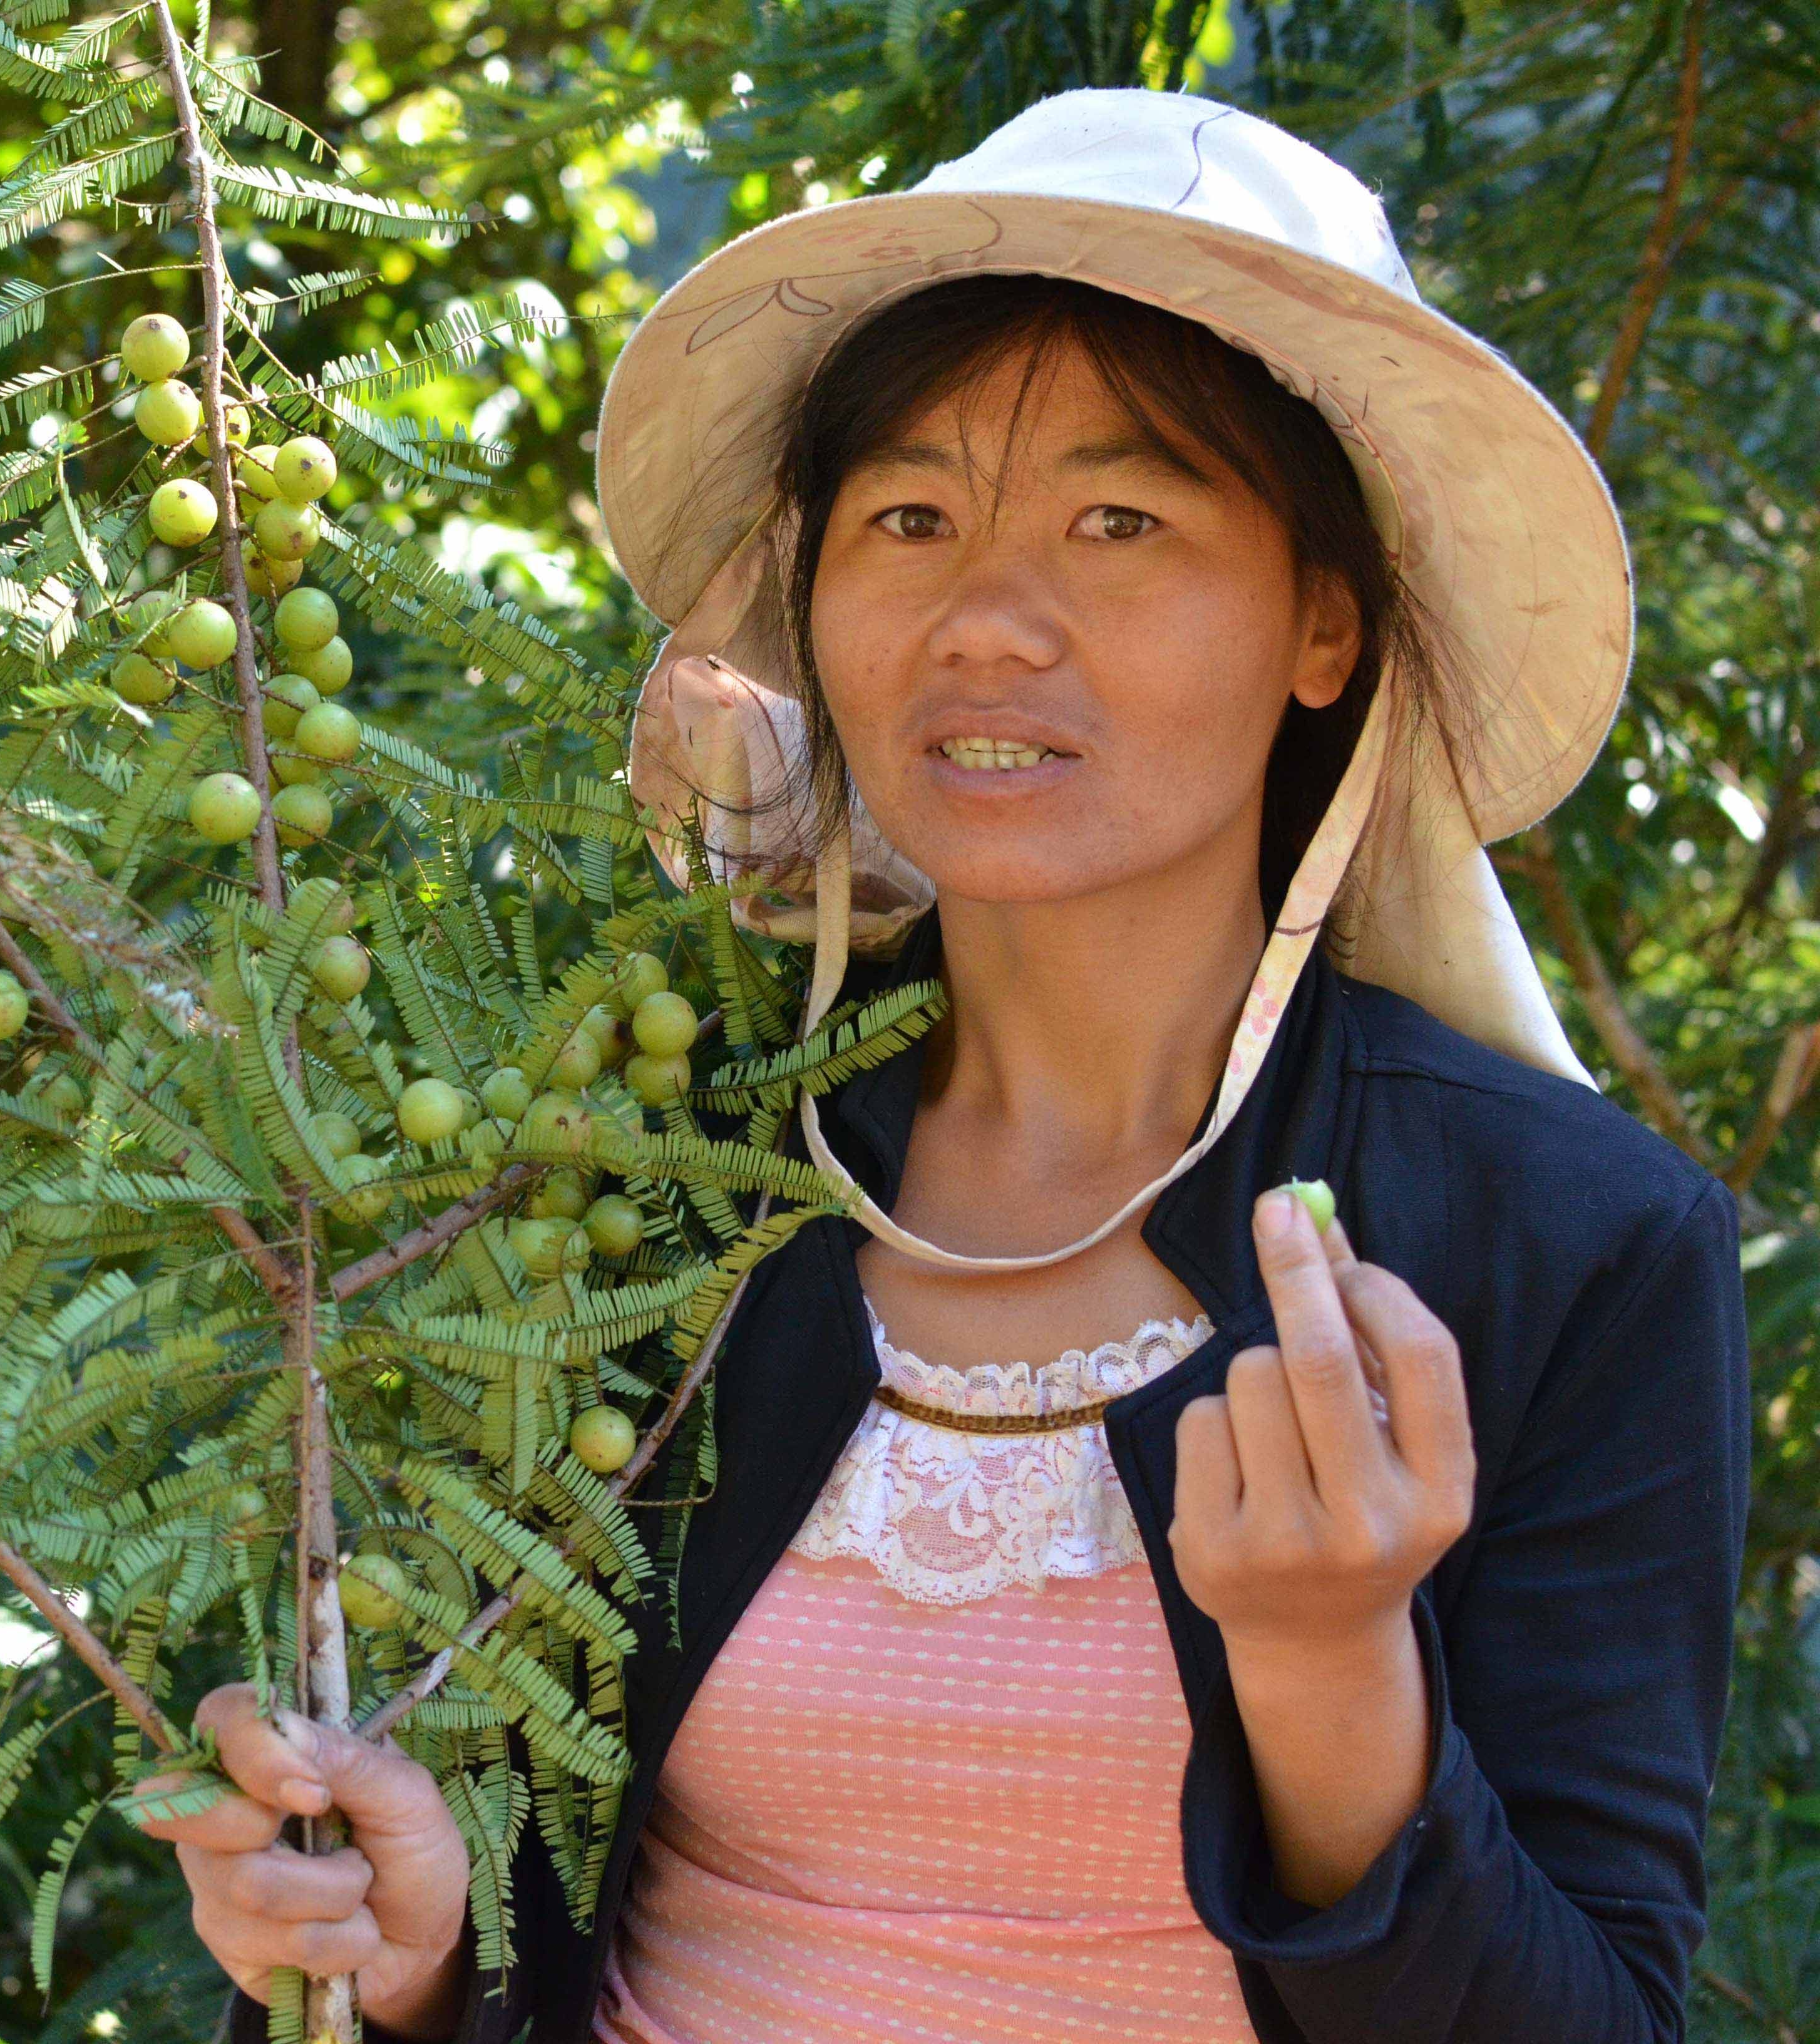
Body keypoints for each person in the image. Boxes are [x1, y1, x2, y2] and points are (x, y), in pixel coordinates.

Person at [142, 88, 1753, 2044]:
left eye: (1121, 520)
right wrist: (403, 1974)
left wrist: (1334, 1674)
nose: (987, 620)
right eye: (909, 519)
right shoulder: (659, 1185)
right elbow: (520, 1935)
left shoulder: (1569, 1246)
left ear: (1327, 620)